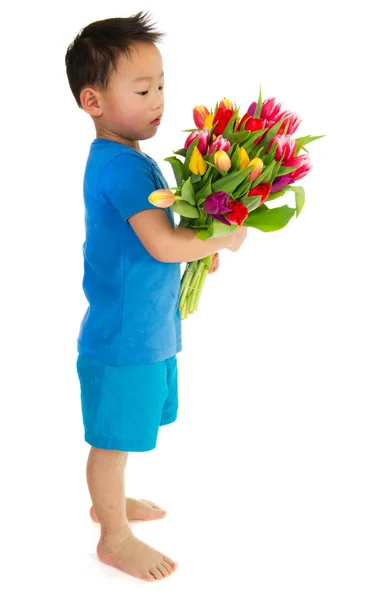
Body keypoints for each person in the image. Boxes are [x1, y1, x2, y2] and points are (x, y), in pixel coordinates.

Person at [65, 11, 247, 583]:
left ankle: (108, 502)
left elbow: (155, 250)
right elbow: (165, 246)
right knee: (112, 440)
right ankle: (113, 536)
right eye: (142, 89)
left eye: (161, 85)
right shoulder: (120, 168)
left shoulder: (134, 159)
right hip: (123, 339)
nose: (158, 99)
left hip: (148, 329)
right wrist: (222, 235)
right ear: (92, 101)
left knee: (126, 431)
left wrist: (196, 254)